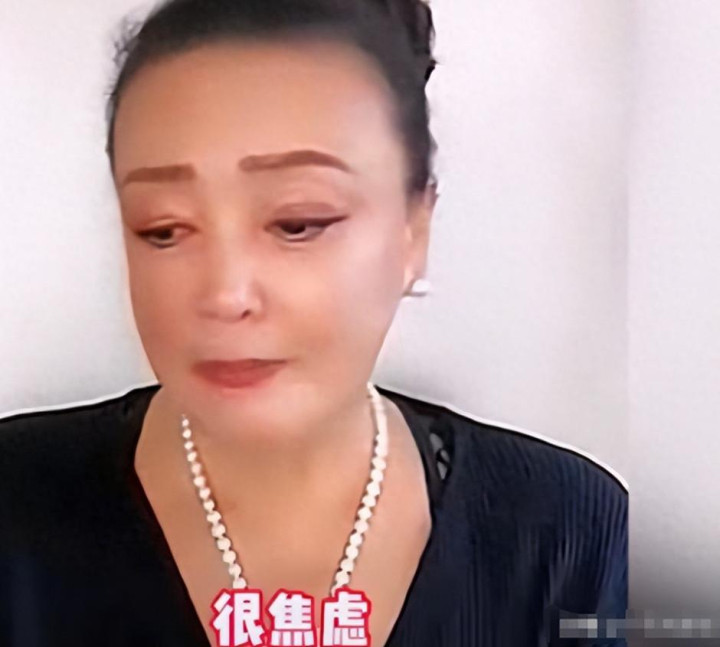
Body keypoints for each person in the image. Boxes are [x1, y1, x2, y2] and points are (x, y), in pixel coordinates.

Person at [0, 0, 627, 645]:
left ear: (414, 230)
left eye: (297, 223)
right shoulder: (15, 508)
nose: (226, 294)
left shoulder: (566, 531)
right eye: (163, 229)